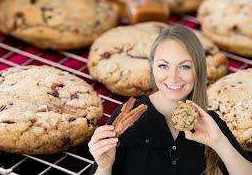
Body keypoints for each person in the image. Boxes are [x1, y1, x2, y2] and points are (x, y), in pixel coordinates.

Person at [88, 25, 252, 175]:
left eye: (185, 66)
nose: (173, 77)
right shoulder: (127, 119)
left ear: (199, 70)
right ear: (152, 68)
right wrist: (104, 167)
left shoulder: (210, 121)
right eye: (163, 66)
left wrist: (219, 143)